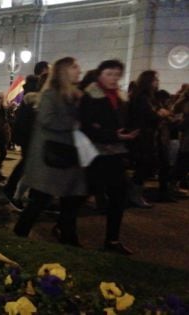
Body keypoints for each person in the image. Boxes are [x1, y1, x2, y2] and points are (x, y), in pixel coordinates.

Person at [13, 57, 86, 246]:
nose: (79, 70)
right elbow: (48, 120)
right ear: (64, 72)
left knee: (69, 203)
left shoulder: (73, 94)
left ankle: (70, 239)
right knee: (38, 203)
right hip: (51, 159)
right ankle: (18, 236)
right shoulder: (51, 95)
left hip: (65, 159)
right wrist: (76, 122)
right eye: (75, 67)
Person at [80, 60, 139, 255]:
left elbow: (121, 121)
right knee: (83, 194)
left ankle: (112, 239)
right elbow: (87, 127)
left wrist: (127, 132)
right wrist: (114, 135)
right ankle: (64, 226)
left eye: (116, 74)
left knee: (117, 196)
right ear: (100, 75)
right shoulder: (91, 95)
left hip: (115, 154)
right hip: (95, 154)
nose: (113, 78)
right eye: (109, 74)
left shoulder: (119, 96)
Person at [127, 71, 170, 205]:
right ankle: (134, 194)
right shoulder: (141, 98)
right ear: (148, 81)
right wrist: (160, 114)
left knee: (146, 166)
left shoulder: (148, 98)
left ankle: (134, 193)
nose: (157, 82)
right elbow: (147, 117)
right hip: (142, 137)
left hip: (147, 136)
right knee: (144, 166)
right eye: (155, 79)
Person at [4, 74, 42, 210]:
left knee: (27, 166)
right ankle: (14, 193)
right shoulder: (32, 99)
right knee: (26, 166)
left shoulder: (30, 95)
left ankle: (16, 192)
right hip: (29, 138)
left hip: (28, 137)